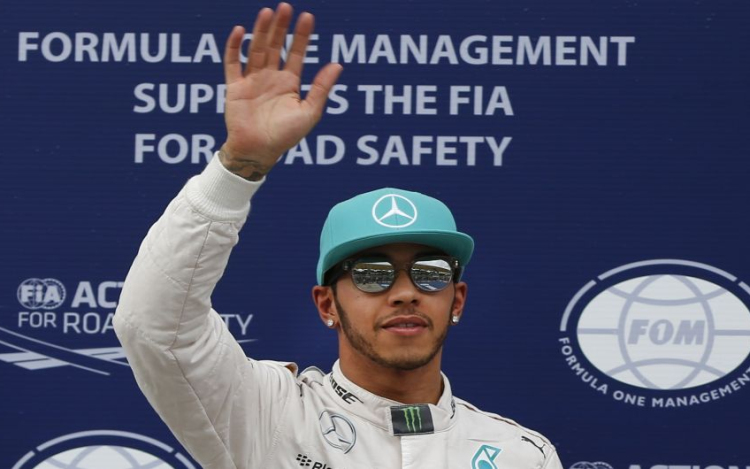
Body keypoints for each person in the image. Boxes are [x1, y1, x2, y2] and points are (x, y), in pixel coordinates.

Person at [114, 4, 563, 469]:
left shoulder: (521, 455)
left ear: (458, 299)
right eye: (372, 274)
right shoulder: (267, 414)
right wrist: (239, 166)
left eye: (429, 273)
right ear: (327, 304)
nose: (405, 293)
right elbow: (153, 325)